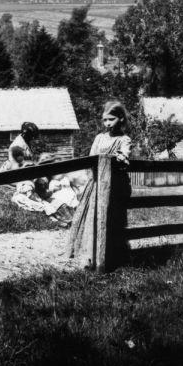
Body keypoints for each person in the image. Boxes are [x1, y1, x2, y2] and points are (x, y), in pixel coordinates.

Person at [68, 100, 132, 269]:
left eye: (111, 119)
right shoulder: (99, 138)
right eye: (104, 120)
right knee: (93, 218)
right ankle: (90, 257)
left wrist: (119, 157)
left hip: (115, 187)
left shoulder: (124, 139)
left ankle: (112, 257)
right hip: (96, 184)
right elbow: (92, 157)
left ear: (121, 119)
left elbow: (125, 156)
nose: (107, 124)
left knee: (113, 219)